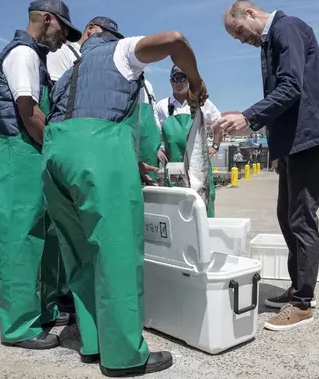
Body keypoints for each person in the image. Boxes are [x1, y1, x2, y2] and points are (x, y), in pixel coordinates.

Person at [43, 25, 208, 375]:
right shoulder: (118, 51)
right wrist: (195, 81)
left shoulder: (67, 71)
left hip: (55, 156)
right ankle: (124, 357)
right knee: (116, 253)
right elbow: (176, 39)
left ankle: (93, 342)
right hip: (99, 152)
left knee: (80, 253)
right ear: (104, 34)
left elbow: (77, 121)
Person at [215, 0, 319, 331]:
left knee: (301, 217)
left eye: (240, 32)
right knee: (285, 215)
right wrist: (276, 146)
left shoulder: (287, 29)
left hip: (310, 134)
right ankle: (298, 287)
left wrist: (248, 117)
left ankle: (303, 303)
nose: (242, 40)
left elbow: (291, 87)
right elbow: (282, 94)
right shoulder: (270, 41)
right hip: (293, 141)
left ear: (248, 13)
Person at [0, 0, 81, 350]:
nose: (64, 38)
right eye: (63, 29)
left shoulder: (36, 57)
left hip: (29, 154)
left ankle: (41, 312)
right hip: (19, 153)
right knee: (21, 240)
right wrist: (59, 150)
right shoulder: (23, 54)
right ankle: (17, 328)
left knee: (42, 237)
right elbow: (29, 114)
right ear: (46, 19)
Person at [48, 16, 159, 181]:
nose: (110, 42)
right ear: (90, 28)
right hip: (74, 146)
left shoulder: (115, 65)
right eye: (107, 35)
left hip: (109, 149)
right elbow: (57, 104)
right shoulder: (63, 52)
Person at [154, 65, 223, 217]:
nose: (179, 82)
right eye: (175, 79)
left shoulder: (203, 103)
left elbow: (219, 123)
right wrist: (157, 148)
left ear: (189, 81)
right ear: (170, 81)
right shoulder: (162, 106)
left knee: (202, 206)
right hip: (175, 168)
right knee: (178, 210)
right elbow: (154, 130)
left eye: (183, 78)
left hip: (199, 165)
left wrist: (215, 146)